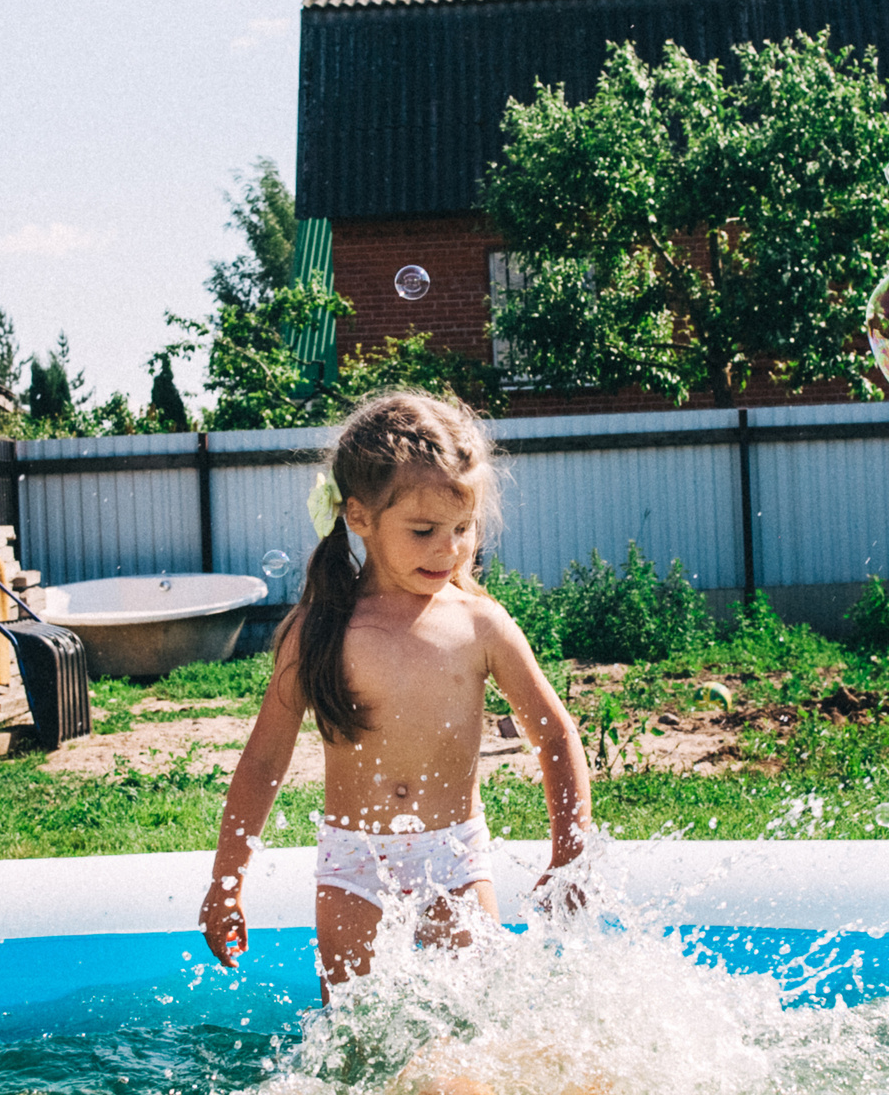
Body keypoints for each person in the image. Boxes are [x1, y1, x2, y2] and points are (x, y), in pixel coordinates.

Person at [199, 391, 594, 997]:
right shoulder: (320, 628)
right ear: (357, 516)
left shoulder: (479, 623)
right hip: (353, 861)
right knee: (354, 1032)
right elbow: (264, 761)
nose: (450, 548)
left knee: (470, 1024)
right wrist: (228, 880)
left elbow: (555, 735)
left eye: (463, 528)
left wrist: (571, 853)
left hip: (455, 855)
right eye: (424, 529)